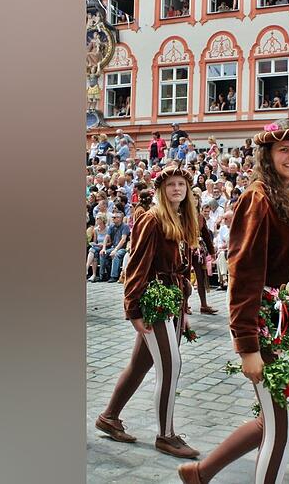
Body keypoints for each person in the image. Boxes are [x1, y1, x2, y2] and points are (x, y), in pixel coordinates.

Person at [178, 116, 289, 484]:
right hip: (263, 324)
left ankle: (200, 472)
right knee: (281, 425)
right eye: (284, 149)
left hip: (284, 319)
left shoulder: (287, 195)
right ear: (266, 155)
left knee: (276, 417)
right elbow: (244, 273)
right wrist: (247, 346)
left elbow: (288, 259)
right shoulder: (258, 198)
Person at [95, 167, 201, 459]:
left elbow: (183, 267)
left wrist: (184, 306)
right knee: (171, 366)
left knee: (141, 364)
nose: (177, 189)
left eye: (182, 184)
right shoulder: (152, 219)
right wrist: (133, 309)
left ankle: (109, 417)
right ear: (161, 189)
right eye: (171, 185)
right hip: (155, 301)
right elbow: (136, 266)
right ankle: (166, 435)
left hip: (173, 300)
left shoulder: (184, 217)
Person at [193, 203, 219, 315]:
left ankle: (204, 305)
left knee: (201, 277)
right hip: (184, 251)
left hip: (198, 251)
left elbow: (206, 235)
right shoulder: (181, 215)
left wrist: (212, 251)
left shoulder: (200, 217)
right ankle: (184, 306)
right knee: (183, 279)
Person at [100, 212, 130, 282]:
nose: (112, 219)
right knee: (102, 253)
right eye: (112, 217)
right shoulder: (112, 226)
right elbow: (106, 237)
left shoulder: (125, 226)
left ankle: (114, 276)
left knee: (116, 255)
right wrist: (103, 248)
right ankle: (102, 275)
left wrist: (115, 250)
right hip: (113, 247)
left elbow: (123, 240)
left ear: (119, 219)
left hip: (122, 248)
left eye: (114, 217)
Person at [87, 213, 109, 282]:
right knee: (93, 252)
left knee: (92, 250)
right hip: (97, 247)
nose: (96, 220)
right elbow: (95, 242)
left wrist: (103, 245)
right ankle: (93, 275)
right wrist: (95, 244)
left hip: (105, 247)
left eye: (97, 219)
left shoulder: (108, 229)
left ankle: (86, 269)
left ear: (102, 220)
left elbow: (111, 242)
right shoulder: (96, 229)